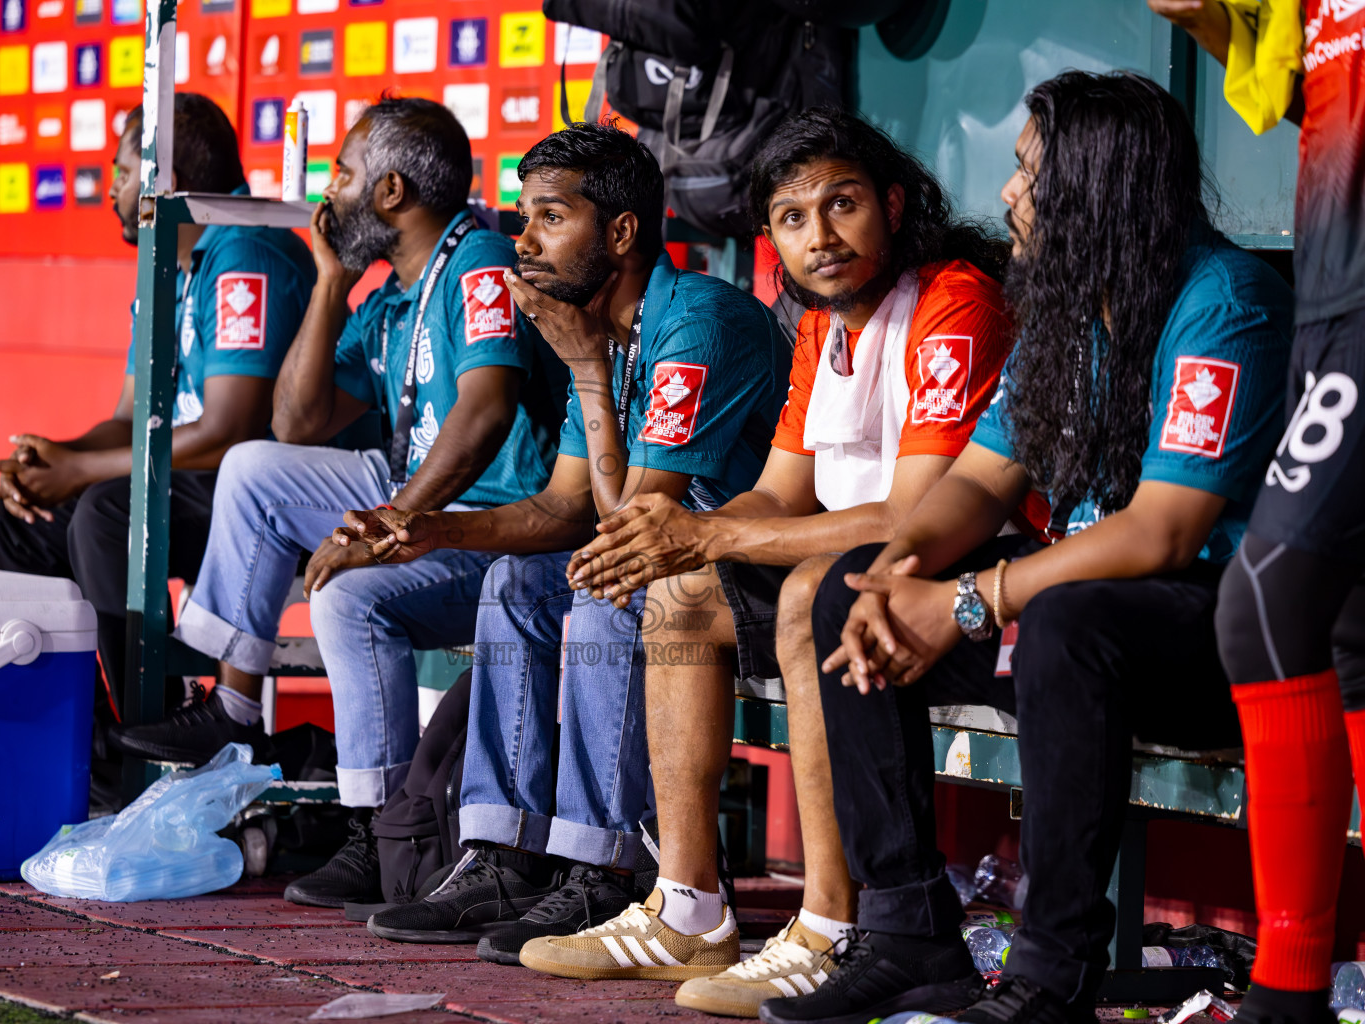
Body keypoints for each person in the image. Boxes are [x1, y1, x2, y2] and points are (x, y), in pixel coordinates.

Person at [772, 71, 1293, 1024]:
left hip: (1213, 630)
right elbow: (977, 481)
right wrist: (899, 575)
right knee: (848, 595)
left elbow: (1165, 529)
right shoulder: (1067, 307)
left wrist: (971, 601)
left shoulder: (1227, 299)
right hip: (1074, 631)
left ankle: (1052, 977)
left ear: (1101, 188)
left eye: (1028, 174)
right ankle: (907, 936)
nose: (1008, 195)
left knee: (1066, 619)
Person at [535, 108, 1028, 1013]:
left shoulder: (955, 297)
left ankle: (831, 929)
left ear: (894, 203)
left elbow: (918, 512)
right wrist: (673, 533)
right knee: (680, 590)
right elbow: (778, 494)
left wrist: (713, 532)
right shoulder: (819, 325)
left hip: (972, 587)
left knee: (806, 591)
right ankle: (687, 908)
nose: (821, 237)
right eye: (793, 219)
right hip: (853, 576)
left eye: (842, 205)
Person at [341, 122, 789, 956]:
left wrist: (585, 373)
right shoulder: (599, 327)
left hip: (756, 575)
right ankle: (503, 854)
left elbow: (629, 530)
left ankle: (606, 867)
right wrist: (431, 528)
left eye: (550, 216)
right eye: (523, 215)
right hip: (677, 571)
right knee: (517, 581)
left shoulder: (698, 322)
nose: (524, 238)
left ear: (620, 232)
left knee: (605, 592)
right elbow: (562, 508)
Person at [109, 96, 563, 910]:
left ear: (392, 192)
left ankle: (375, 829)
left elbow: (488, 407)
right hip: (411, 493)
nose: (330, 191)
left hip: (497, 522)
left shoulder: (481, 260)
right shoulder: (391, 291)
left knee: (350, 597)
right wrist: (329, 283)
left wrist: (393, 526)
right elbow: (295, 421)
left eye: (344, 174)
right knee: (255, 465)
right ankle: (236, 703)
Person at [1149, 5, 1365, 1024]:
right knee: (1352, 629)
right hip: (1331, 287)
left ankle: (1289, 993)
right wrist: (1208, 21)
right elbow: (1291, 90)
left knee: (1266, 600)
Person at [0, 91, 322, 733]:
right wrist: (53, 459)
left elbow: (229, 435)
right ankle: (87, 750)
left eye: (122, 169)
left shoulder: (246, 249)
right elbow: (133, 413)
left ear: (168, 178)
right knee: (20, 518)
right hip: (194, 479)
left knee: (105, 513)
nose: (111, 185)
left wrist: (82, 473)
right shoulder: (168, 260)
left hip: (262, 502)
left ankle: (157, 733)